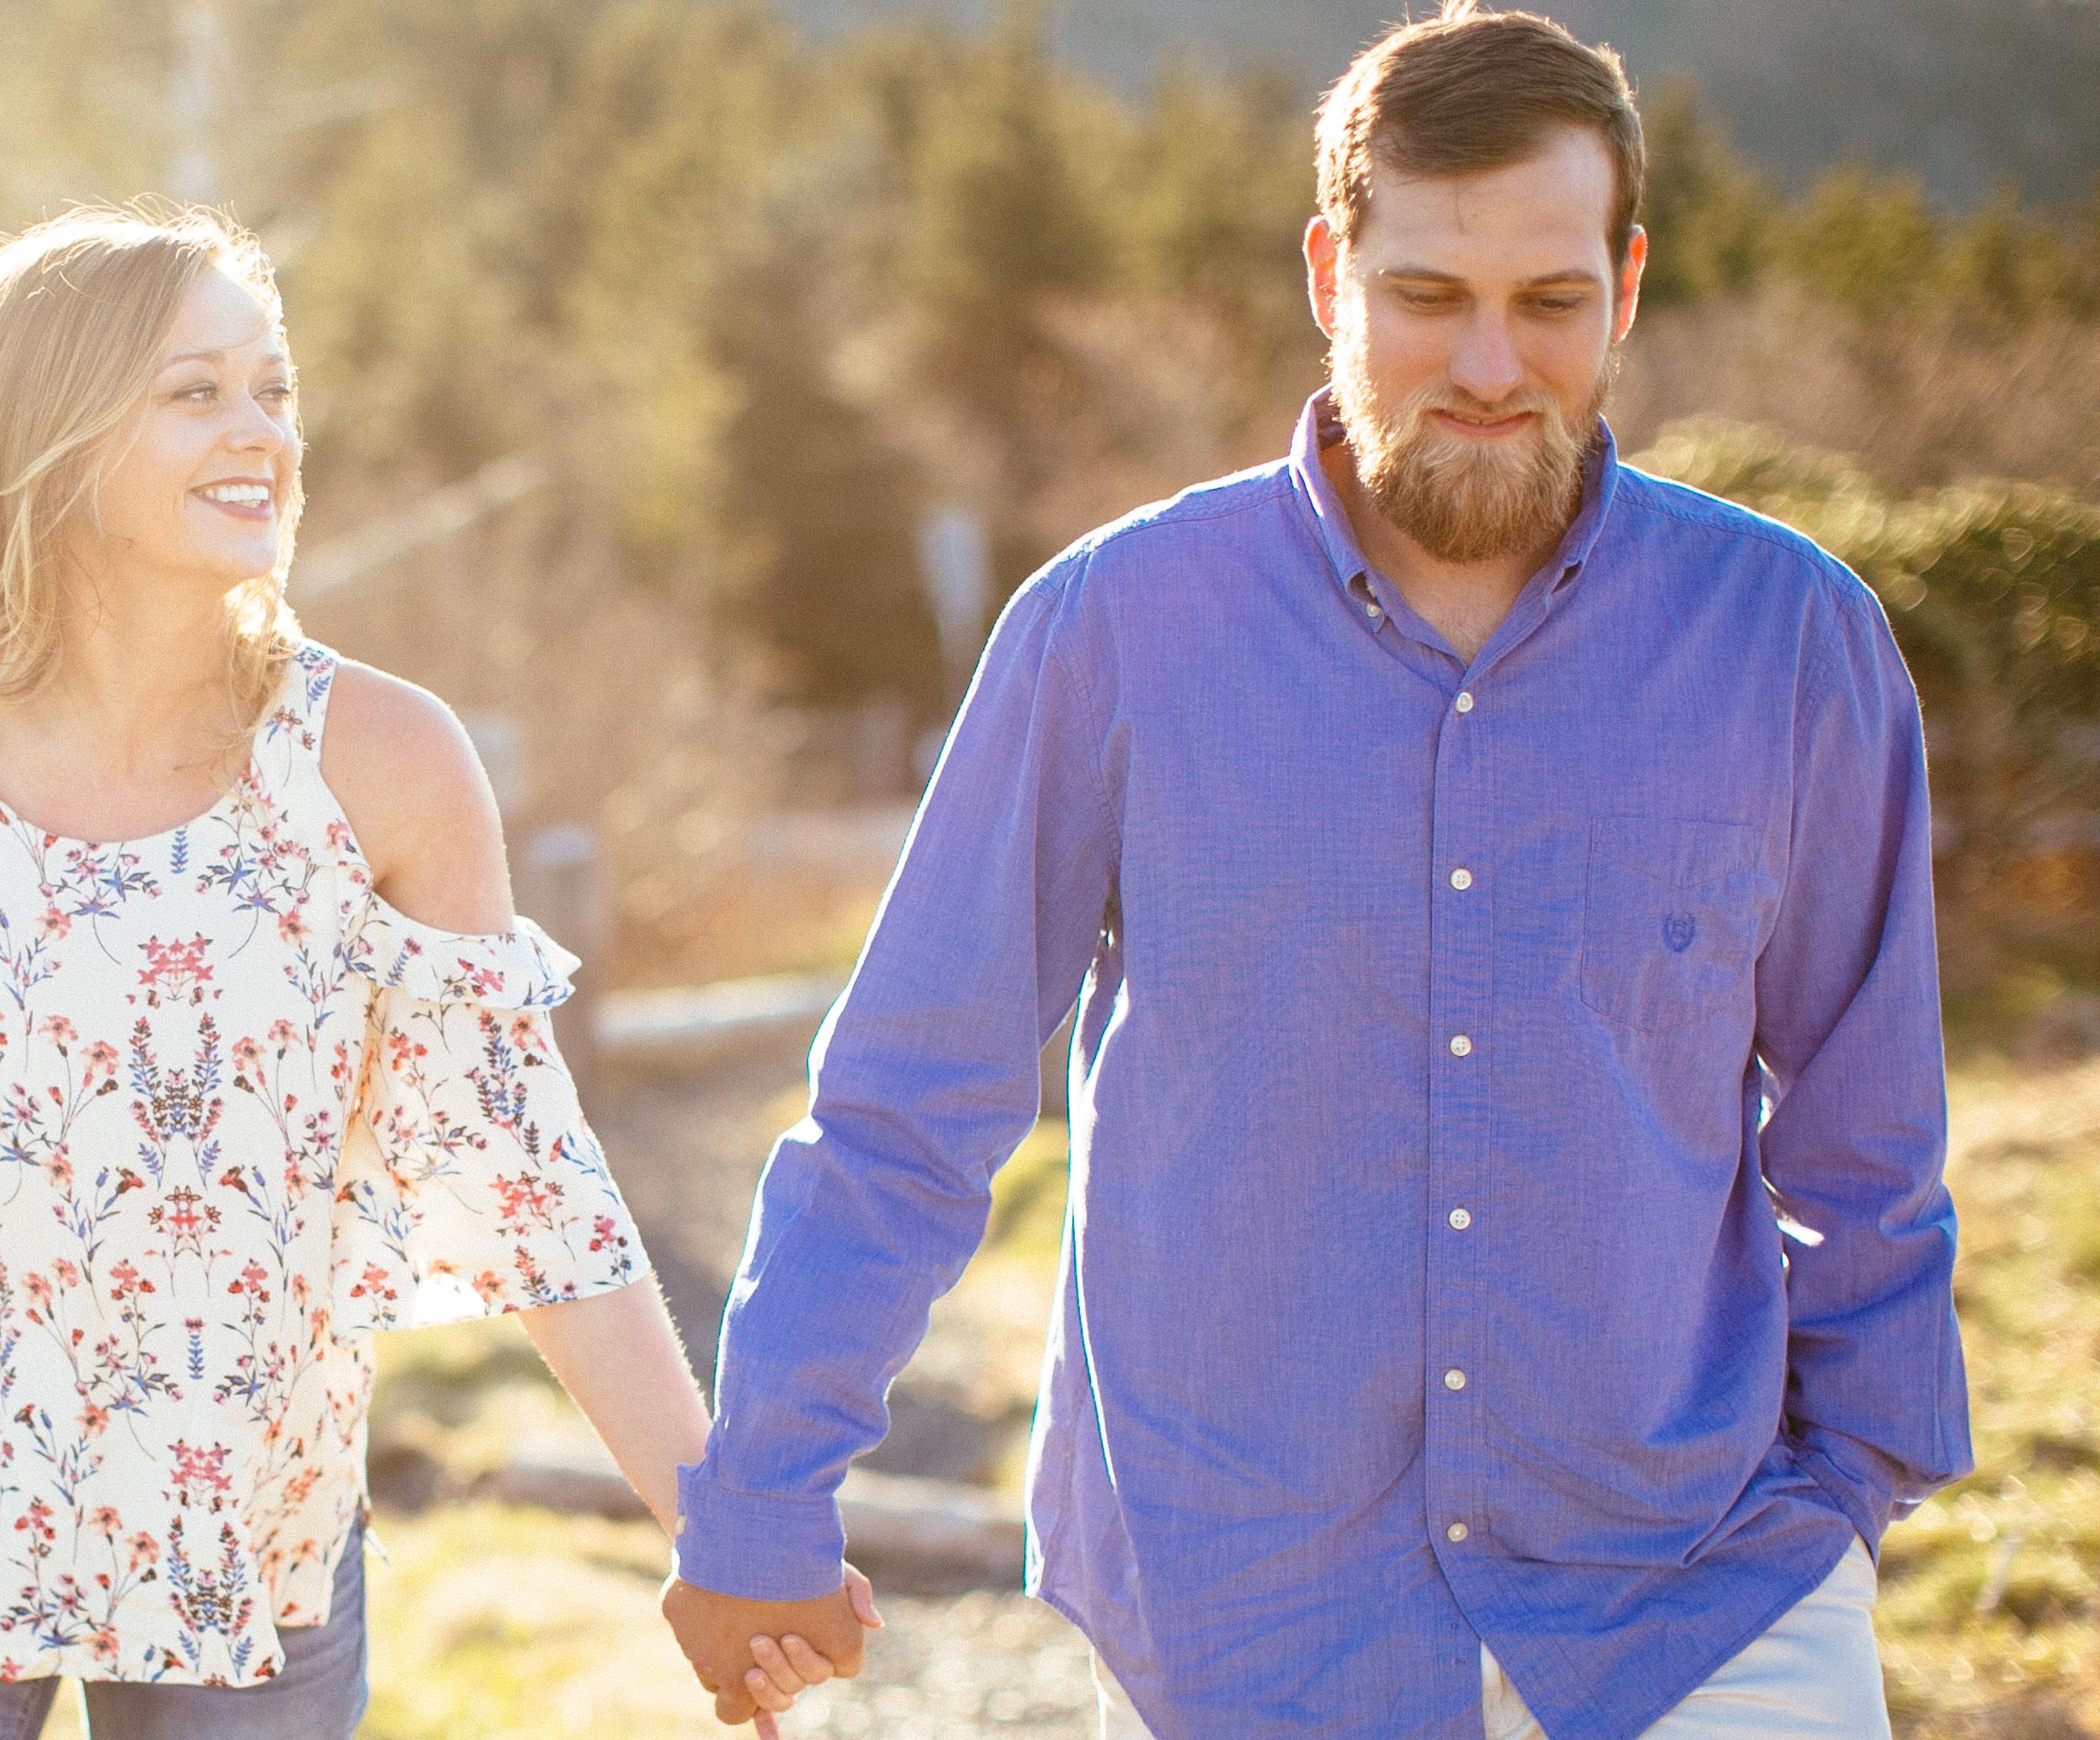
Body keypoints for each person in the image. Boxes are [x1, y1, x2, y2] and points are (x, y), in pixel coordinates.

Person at [658, 9, 1970, 1737]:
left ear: (1627, 287)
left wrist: (1849, 1490)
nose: (1489, 363)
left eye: (1549, 301)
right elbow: (909, 1102)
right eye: (1426, 295)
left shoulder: (1789, 640)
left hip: (1700, 1606)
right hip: (1250, 1624)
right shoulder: (1112, 631)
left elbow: (1864, 1143)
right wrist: (761, 1493)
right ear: (1327, 273)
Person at [0, 206, 861, 1738]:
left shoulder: (382, 762)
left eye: (274, 388)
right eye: (197, 392)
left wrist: (720, 1534)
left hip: (246, 1538)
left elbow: (530, 1182)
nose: (263, 433)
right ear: (52, 439)